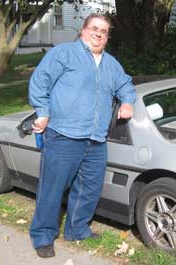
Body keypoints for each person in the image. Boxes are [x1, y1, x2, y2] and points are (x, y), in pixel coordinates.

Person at [28, 13, 136, 258]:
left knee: (89, 189)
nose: (98, 34)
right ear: (84, 30)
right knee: (52, 189)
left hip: (96, 139)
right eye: (94, 28)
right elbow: (39, 82)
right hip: (64, 135)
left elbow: (125, 85)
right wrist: (43, 113)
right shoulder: (63, 54)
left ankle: (77, 230)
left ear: (108, 37)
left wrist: (127, 102)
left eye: (104, 31)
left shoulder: (111, 64)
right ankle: (43, 236)